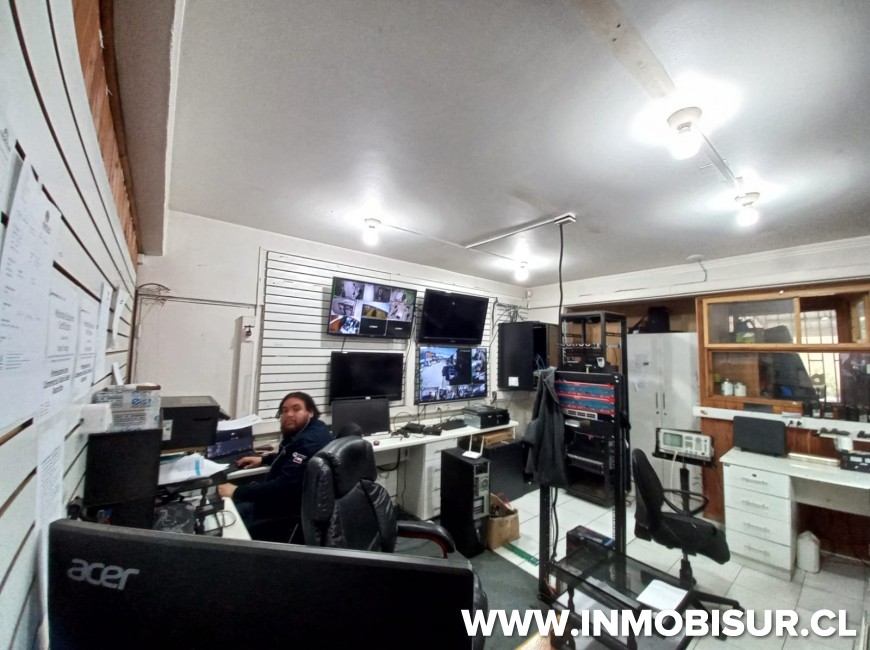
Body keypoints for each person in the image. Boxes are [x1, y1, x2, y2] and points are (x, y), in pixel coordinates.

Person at [218, 391, 332, 541]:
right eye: (284, 411)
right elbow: (289, 455)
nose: (289, 414)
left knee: (223, 518)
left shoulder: (308, 442)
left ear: (310, 412)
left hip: (283, 510)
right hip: (289, 500)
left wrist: (237, 491)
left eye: (296, 409)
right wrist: (263, 459)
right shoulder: (316, 428)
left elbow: (284, 487)